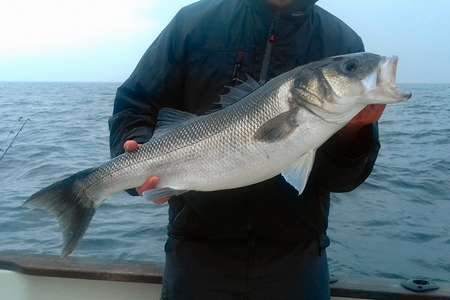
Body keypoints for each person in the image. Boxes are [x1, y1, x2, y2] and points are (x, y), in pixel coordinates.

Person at [109, 0, 385, 299]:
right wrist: (136, 148)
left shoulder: (341, 43)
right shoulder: (194, 23)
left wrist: (355, 132)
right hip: (196, 253)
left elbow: (343, 180)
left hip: (298, 258)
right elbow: (135, 104)